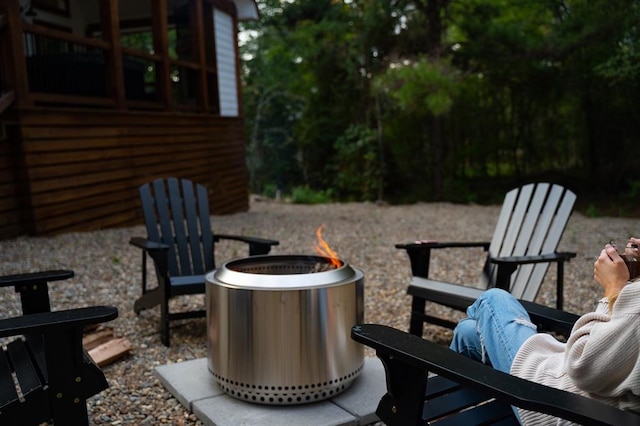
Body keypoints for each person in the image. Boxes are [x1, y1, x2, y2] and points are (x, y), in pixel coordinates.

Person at [449, 237, 640, 425]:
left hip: (555, 404)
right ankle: (446, 410)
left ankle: (433, 409)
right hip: (587, 393)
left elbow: (582, 368)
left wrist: (614, 290)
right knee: (468, 333)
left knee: (493, 299)